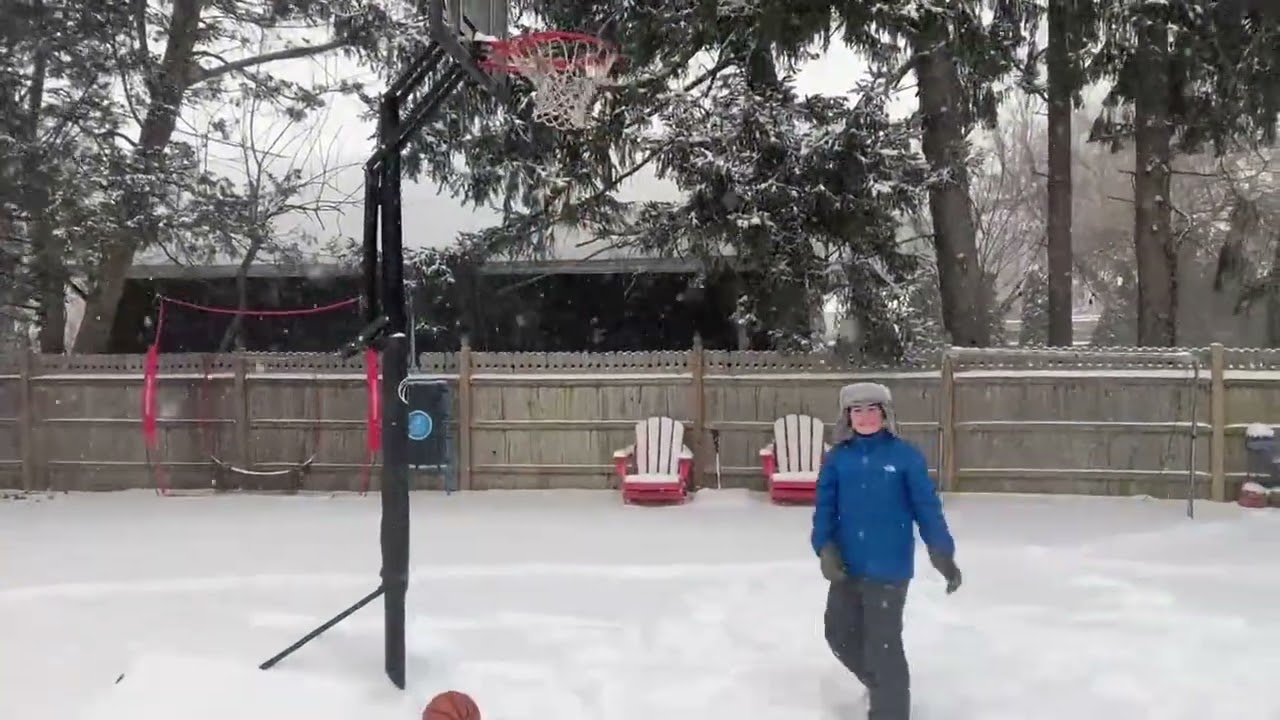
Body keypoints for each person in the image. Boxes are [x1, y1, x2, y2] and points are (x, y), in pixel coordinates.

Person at [811, 382, 961, 720]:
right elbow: (824, 508)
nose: (865, 417)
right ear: (847, 417)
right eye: (857, 410)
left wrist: (941, 551)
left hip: (889, 568)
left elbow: (927, 507)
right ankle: (885, 687)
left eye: (872, 409)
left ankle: (890, 709)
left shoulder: (904, 457)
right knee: (838, 635)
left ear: (886, 414)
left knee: (884, 646)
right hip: (848, 566)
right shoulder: (837, 459)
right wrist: (824, 547)